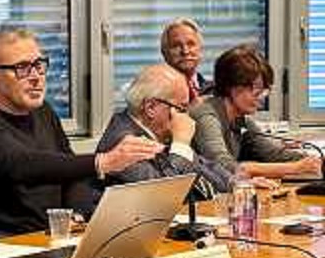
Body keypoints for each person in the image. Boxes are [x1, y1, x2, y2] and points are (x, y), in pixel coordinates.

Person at [0, 26, 164, 234]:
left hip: (49, 234)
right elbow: (22, 164)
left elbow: (69, 171)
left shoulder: (43, 112)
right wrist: (102, 161)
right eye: (22, 68)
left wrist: (76, 213)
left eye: (39, 65)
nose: (36, 77)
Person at [96, 64, 232, 198]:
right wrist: (181, 145)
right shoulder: (122, 143)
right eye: (182, 108)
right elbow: (167, 195)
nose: (187, 118)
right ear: (150, 107)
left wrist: (236, 182)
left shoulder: (160, 132)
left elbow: (209, 170)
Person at [191, 45, 321, 179]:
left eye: (263, 90)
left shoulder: (241, 120)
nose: (261, 97)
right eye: (256, 90)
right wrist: (295, 168)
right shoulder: (206, 116)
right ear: (232, 87)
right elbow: (222, 166)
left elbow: (273, 154)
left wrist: (316, 161)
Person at [161, 18, 210, 103]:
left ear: (200, 48)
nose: (185, 51)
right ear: (164, 52)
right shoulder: (156, 95)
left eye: (191, 44)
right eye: (176, 46)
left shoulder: (217, 93)